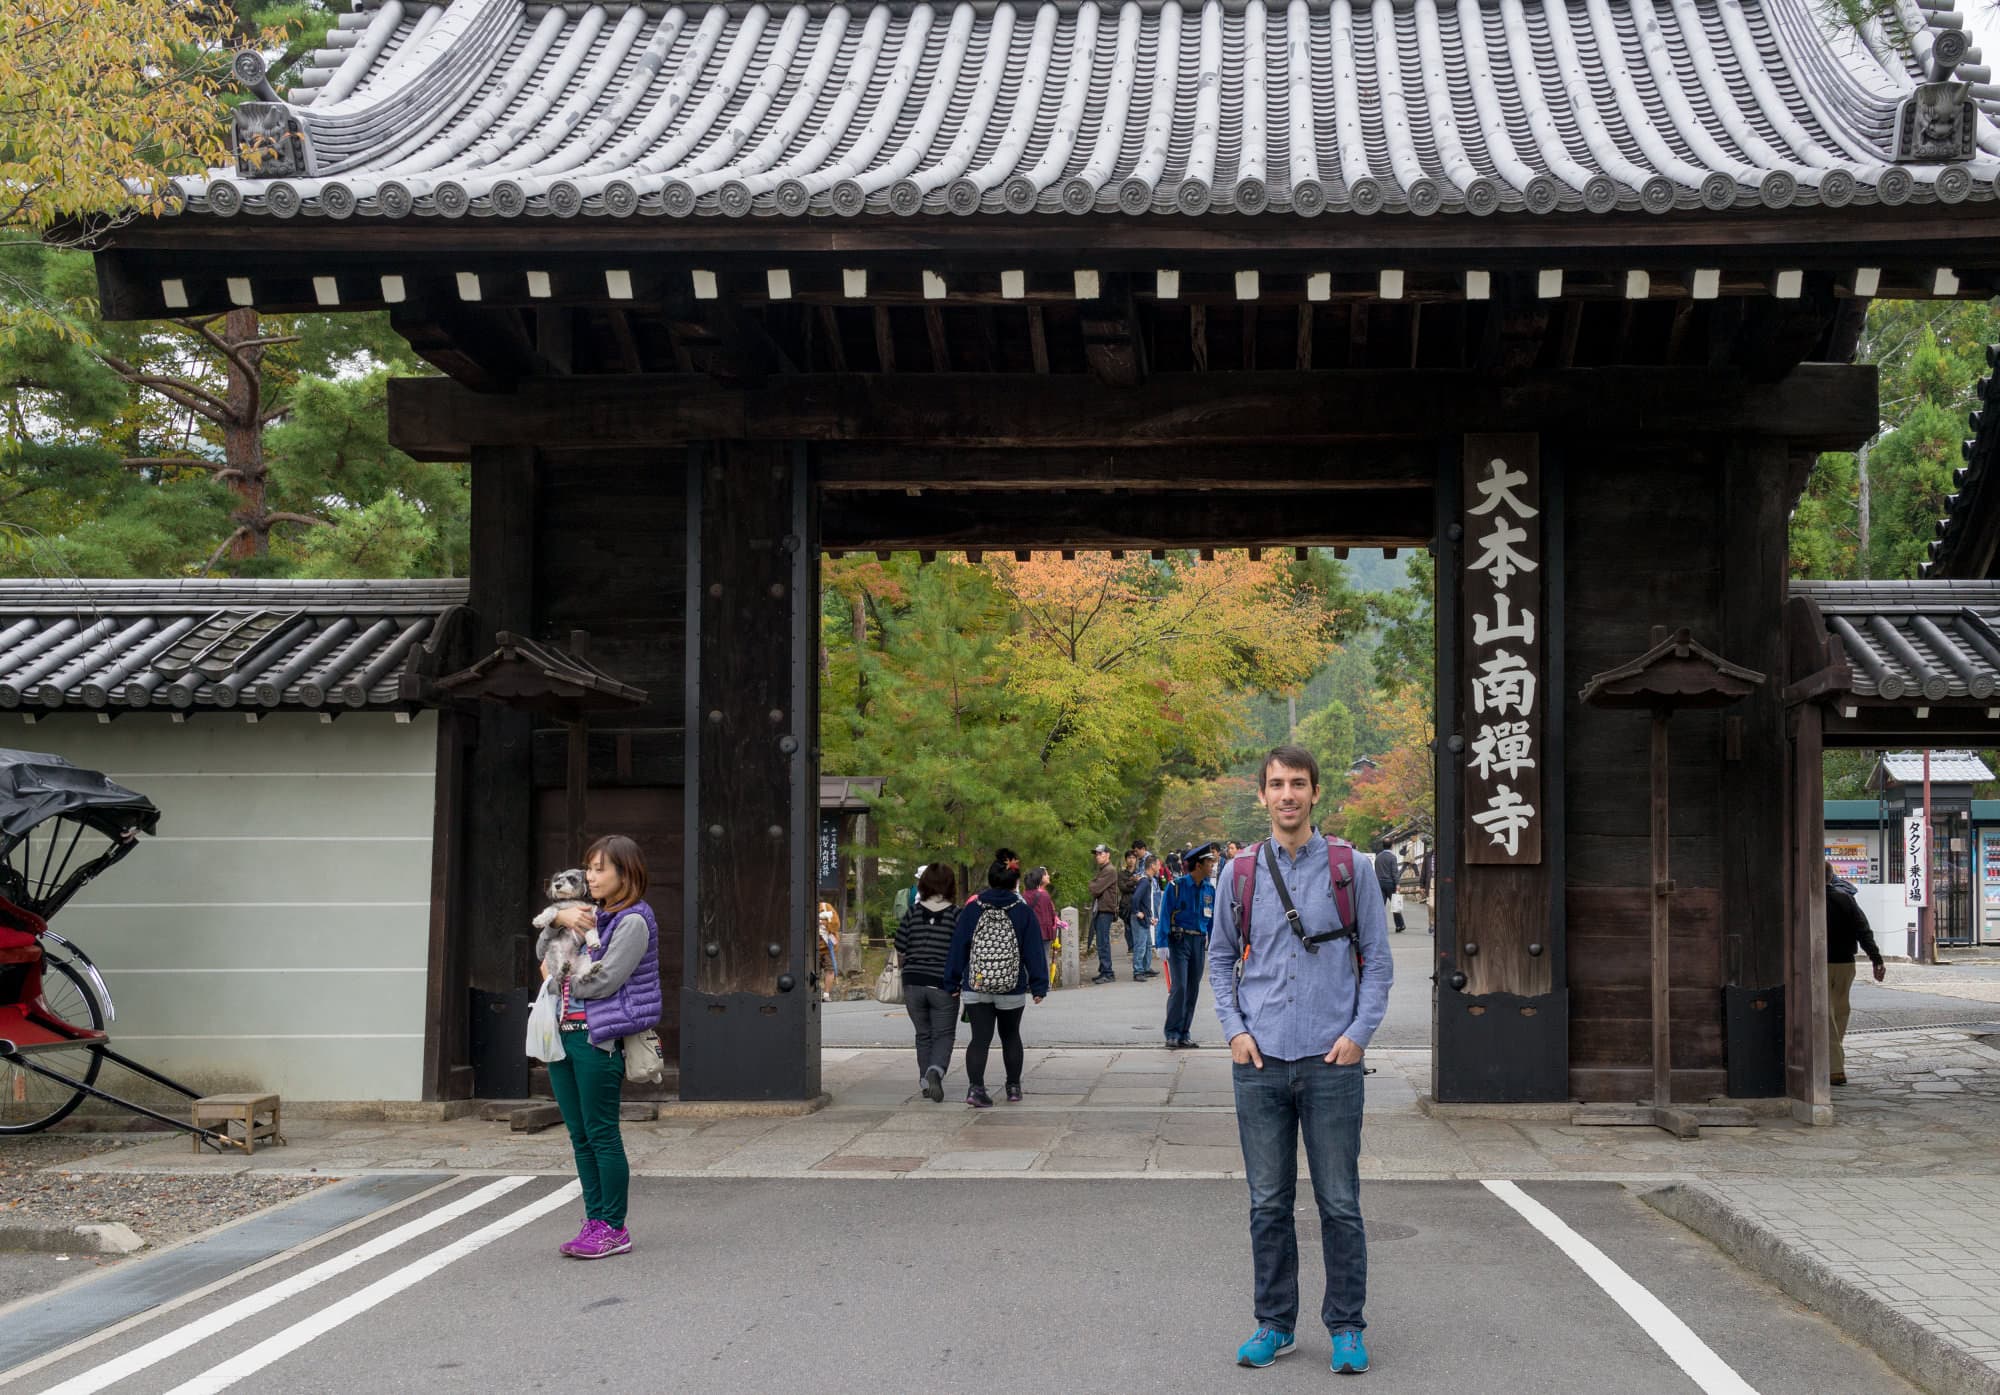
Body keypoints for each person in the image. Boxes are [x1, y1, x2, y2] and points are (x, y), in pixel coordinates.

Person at [1210, 745, 1392, 1374]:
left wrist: (1359, 1035)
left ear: (1316, 792)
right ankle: (1273, 1323)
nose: (1287, 795)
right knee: (1268, 1202)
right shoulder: (1240, 873)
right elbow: (1219, 959)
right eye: (1276, 785)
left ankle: (1345, 1325)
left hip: (1331, 1059)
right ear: (1261, 796)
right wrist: (1234, 1031)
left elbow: (1377, 958)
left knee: (1339, 1201)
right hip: (1259, 1061)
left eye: (1298, 784)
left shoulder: (1351, 867)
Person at [545, 834, 662, 1260]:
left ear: (624, 873)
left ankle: (614, 1226)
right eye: (589, 868)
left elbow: (606, 980)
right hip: (564, 1035)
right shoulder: (596, 917)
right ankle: (594, 1220)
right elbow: (547, 952)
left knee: (601, 1133)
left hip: (599, 1039)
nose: (590, 877)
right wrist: (558, 922)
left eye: (600, 869)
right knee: (579, 1136)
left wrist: (559, 980)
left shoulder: (632, 920)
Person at [944, 848, 1050, 1106]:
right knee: (1011, 1035)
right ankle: (1013, 1087)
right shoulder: (1022, 911)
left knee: (979, 1039)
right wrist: (1039, 985)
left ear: (990, 880)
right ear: (1015, 882)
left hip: (976, 984)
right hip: (1011, 986)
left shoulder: (972, 909)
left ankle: (975, 1089)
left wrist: (952, 981)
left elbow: (959, 946)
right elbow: (1034, 950)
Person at [897, 862, 961, 1102]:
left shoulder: (912, 913)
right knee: (943, 1034)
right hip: (942, 983)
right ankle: (935, 1071)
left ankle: (925, 1082)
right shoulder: (957, 914)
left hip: (913, 982)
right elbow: (962, 950)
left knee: (923, 1034)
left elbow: (900, 945)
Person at [1826, 862, 1886, 1086]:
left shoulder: (1811, 899)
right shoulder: (1846, 898)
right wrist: (1876, 959)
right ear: (1832, 877)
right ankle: (1834, 1060)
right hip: (1845, 963)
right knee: (1840, 1011)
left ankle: (1833, 1067)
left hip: (1819, 962)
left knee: (1825, 1014)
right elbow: (1863, 929)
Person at [1158, 842, 1218, 1047]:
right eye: (1209, 863)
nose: (1212, 866)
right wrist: (1161, 943)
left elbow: (1212, 920)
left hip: (1199, 942)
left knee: (1192, 988)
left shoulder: (1210, 889)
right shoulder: (1177, 887)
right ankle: (1172, 1032)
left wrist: (1217, 944)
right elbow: (1164, 914)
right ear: (1198, 865)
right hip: (1179, 941)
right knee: (1180, 987)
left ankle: (1184, 1032)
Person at [1087, 843, 1120, 985]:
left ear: (1107, 855)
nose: (1097, 856)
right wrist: (1094, 883)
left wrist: (1093, 883)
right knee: (1101, 941)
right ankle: (1103, 970)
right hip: (1101, 909)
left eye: (1100, 853)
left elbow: (1095, 888)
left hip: (1105, 910)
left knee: (1103, 942)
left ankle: (1108, 972)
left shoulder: (1110, 870)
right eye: (1096, 854)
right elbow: (1095, 887)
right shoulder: (1103, 870)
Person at [1129, 854, 1161, 981]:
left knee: (1147, 944)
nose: (1159, 867)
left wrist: (1150, 916)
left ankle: (1146, 967)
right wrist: (1137, 911)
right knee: (1140, 944)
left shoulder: (1147, 880)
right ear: (1152, 866)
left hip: (1145, 917)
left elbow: (1146, 902)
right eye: (1158, 865)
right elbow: (1136, 897)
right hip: (1139, 918)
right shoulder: (1144, 881)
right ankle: (1138, 971)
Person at [1374, 837, 1406, 933]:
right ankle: (1399, 925)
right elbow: (1394, 872)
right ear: (1392, 845)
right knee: (1395, 904)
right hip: (1390, 884)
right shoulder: (1392, 857)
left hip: (1379, 883)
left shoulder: (1378, 857)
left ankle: (1378, 926)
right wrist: (1397, 884)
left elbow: (1376, 871)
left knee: (1380, 906)